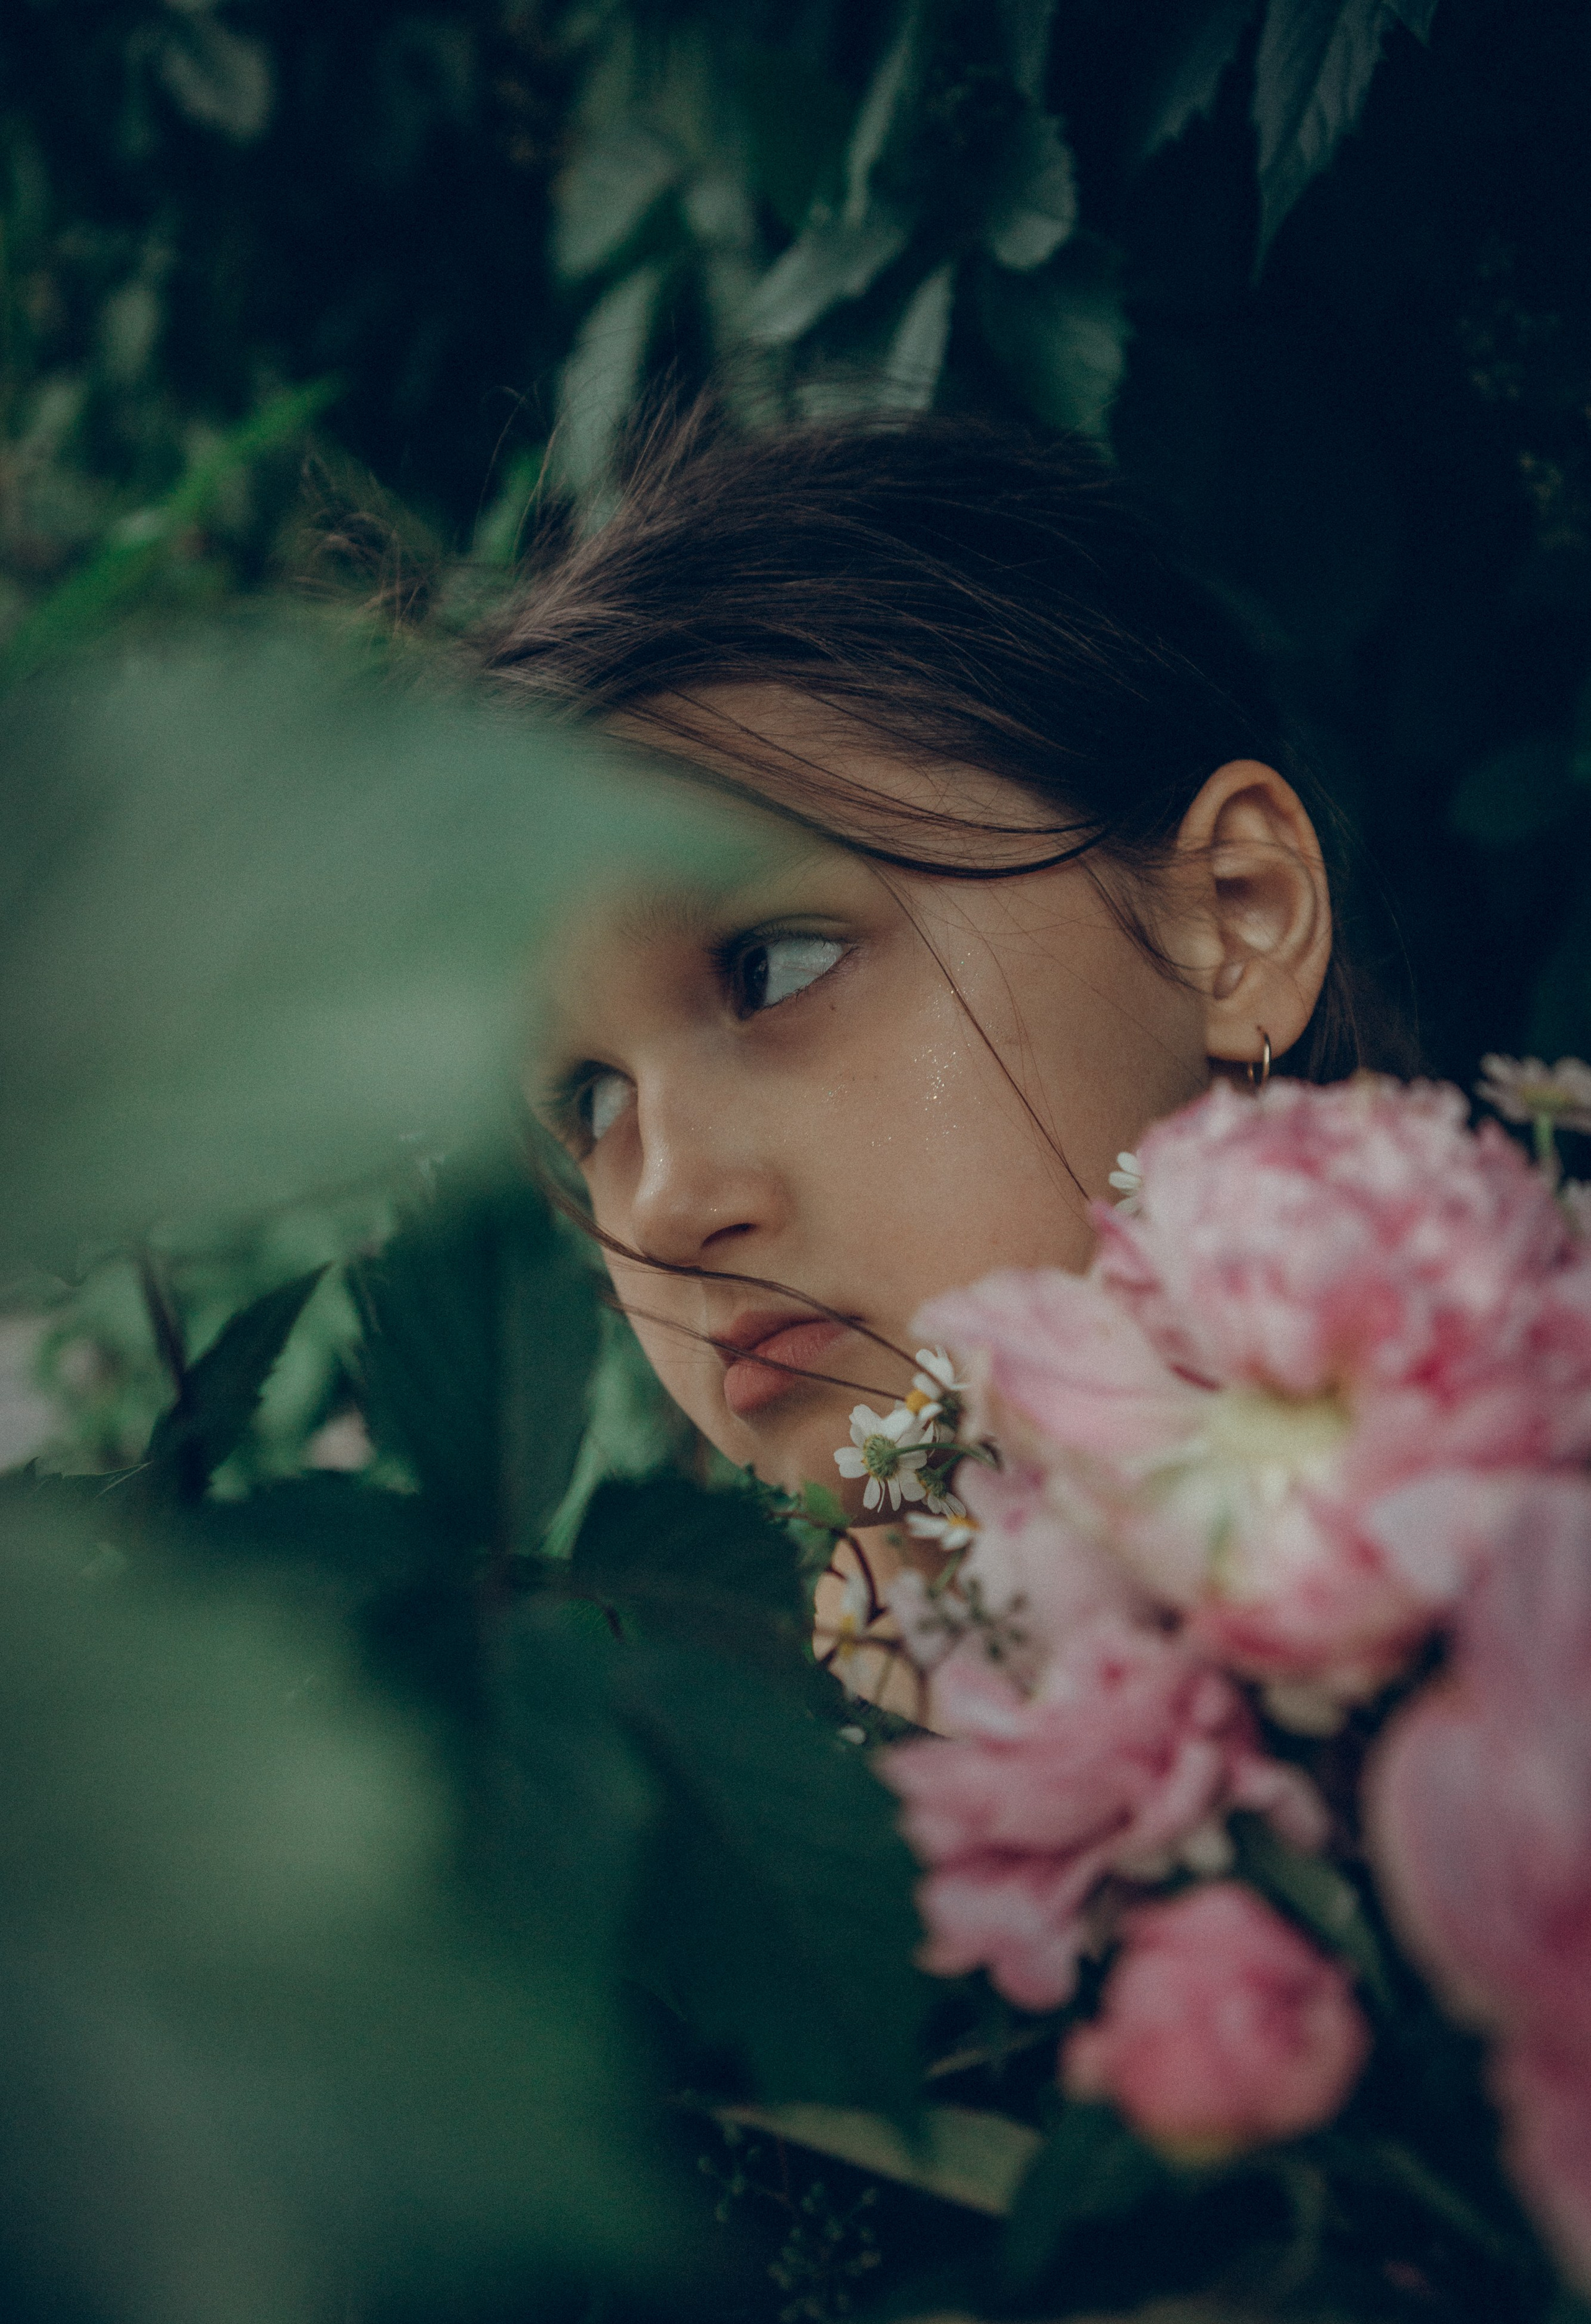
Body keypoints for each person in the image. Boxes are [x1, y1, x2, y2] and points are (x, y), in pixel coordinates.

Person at [482, 411, 1385, 1697]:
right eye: (587, 1098)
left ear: (1233, 917)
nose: (665, 1204)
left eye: (774, 969)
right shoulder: (695, 1834)